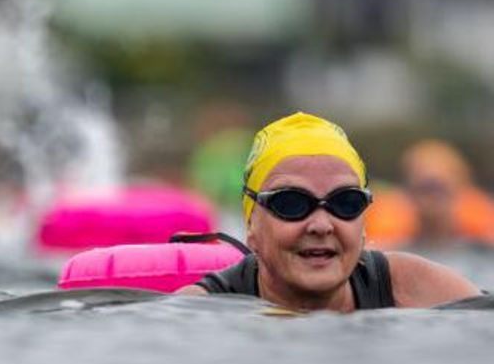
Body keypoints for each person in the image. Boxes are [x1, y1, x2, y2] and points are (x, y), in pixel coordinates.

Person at [176, 112, 479, 312]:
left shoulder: (417, 289)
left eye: (345, 202)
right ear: (251, 224)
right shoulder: (202, 313)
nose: (321, 225)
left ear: (363, 224)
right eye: (291, 203)